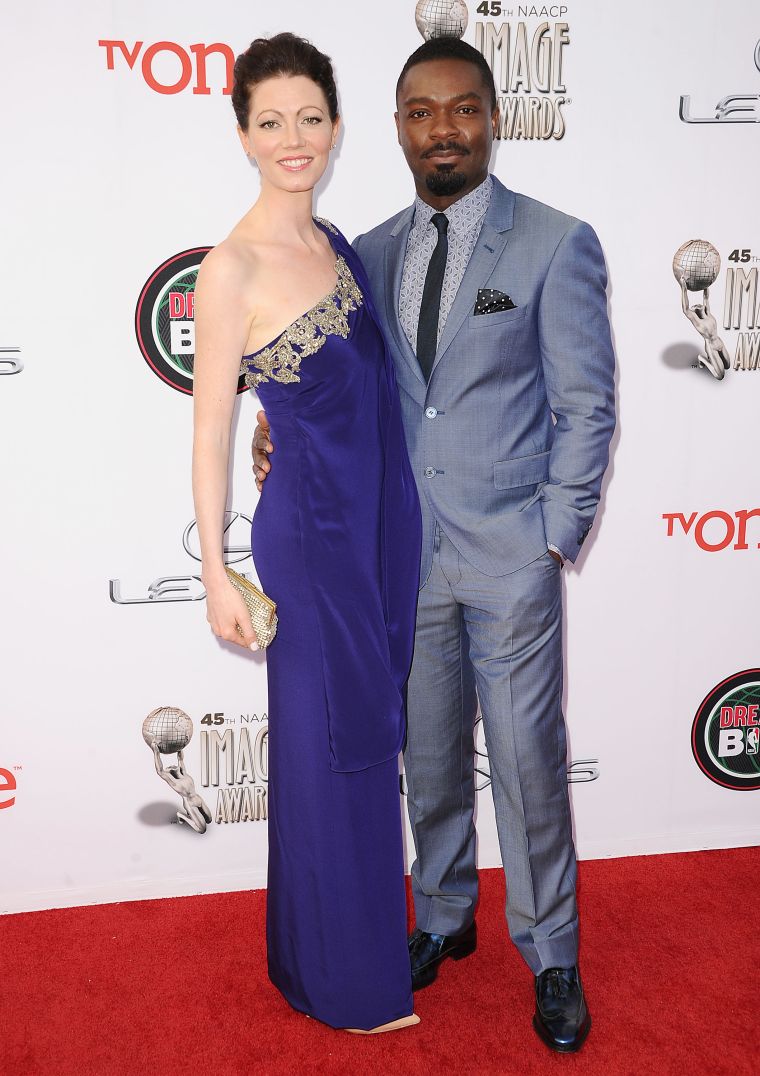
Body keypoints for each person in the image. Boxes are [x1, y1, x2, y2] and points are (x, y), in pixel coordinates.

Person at [253, 36, 616, 1053]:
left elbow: (587, 404)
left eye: (461, 109)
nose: (442, 127)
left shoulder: (555, 241)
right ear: (400, 126)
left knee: (528, 764)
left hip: (508, 557)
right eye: (421, 111)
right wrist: (274, 426)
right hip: (393, 557)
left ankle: (550, 953)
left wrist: (551, 538)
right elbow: (335, 384)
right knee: (425, 754)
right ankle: (444, 914)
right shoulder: (361, 254)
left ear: (491, 118)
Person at [191, 32, 421, 1035]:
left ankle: (311, 951)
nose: (295, 140)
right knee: (343, 746)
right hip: (309, 541)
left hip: (382, 528)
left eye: (311, 118)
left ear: (334, 127)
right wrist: (217, 573)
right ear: (243, 133)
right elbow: (210, 436)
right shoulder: (228, 266)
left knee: (366, 741)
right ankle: (349, 981)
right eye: (272, 121)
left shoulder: (342, 250)